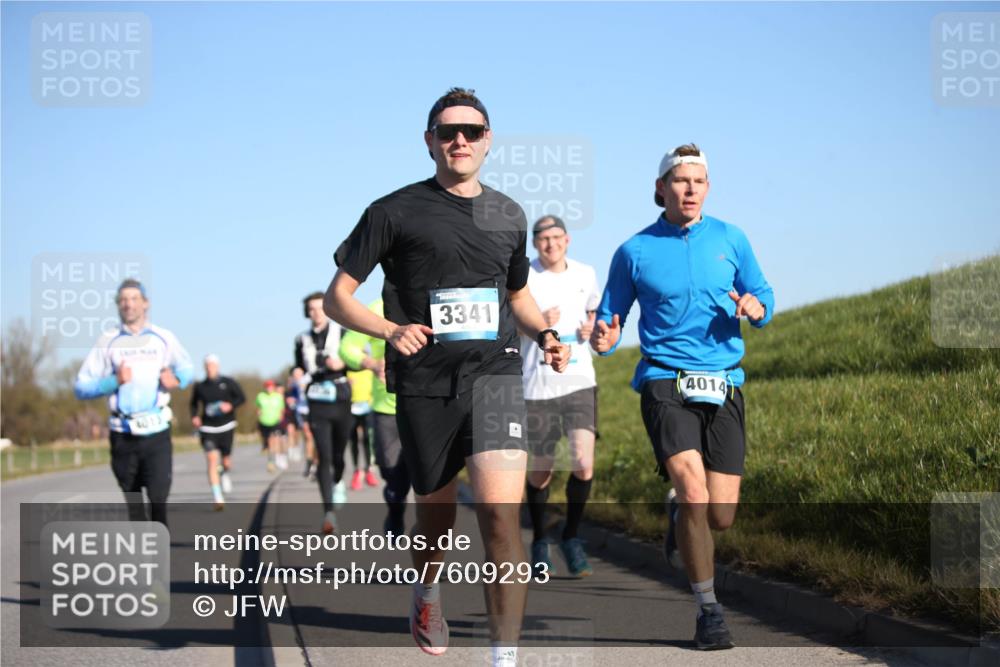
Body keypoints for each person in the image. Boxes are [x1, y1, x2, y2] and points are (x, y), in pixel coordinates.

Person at [325, 87, 570, 667]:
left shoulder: (508, 214)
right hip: (424, 385)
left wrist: (545, 334)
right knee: (434, 520)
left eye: (472, 131)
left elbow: (517, 294)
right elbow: (338, 298)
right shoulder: (392, 211)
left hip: (495, 378)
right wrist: (390, 330)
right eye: (447, 131)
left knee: (500, 517)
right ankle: (428, 587)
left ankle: (503, 657)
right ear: (429, 141)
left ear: (488, 141)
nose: (460, 140)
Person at [590, 144, 774, 650]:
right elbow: (609, 319)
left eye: (698, 181)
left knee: (721, 514)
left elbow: (764, 296)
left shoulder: (731, 239)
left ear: (708, 188)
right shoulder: (634, 251)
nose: (690, 189)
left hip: (724, 382)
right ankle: (709, 611)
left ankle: (677, 514)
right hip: (665, 379)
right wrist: (604, 337)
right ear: (660, 188)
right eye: (680, 180)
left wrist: (757, 308)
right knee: (696, 494)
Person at [74, 278, 194, 525]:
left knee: (158, 497)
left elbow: (186, 367)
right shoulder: (108, 341)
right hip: (123, 434)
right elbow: (81, 387)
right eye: (123, 300)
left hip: (156, 431)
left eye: (134, 299)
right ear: (118, 305)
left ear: (145, 303)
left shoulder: (163, 338)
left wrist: (177, 379)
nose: (128, 304)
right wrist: (113, 381)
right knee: (135, 504)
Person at [520, 215, 601, 578]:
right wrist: (537, 320)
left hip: (580, 380)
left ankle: (571, 537)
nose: (550, 244)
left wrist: (592, 326)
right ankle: (540, 540)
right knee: (542, 470)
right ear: (534, 244)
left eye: (556, 237)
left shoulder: (586, 273)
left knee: (583, 462)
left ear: (567, 240)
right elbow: (508, 323)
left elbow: (596, 315)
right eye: (543, 239)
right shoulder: (524, 276)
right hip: (538, 385)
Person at [339, 299, 410, 535]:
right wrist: (371, 363)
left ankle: (429, 536)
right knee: (391, 471)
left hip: (429, 404)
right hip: (387, 407)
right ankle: (396, 508)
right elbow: (347, 347)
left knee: (426, 474)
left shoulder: (435, 297)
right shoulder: (379, 307)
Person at [295, 291, 353, 534]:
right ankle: (328, 512)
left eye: (320, 308)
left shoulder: (342, 333)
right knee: (324, 456)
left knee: (338, 455)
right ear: (307, 313)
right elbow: (299, 366)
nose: (316, 313)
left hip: (340, 399)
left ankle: (338, 480)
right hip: (317, 401)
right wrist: (296, 373)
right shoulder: (302, 339)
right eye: (311, 309)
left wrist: (343, 363)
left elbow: (356, 360)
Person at [189, 353, 246, 510]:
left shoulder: (228, 382)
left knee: (226, 461)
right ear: (204, 367)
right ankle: (217, 496)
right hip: (208, 427)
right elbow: (193, 404)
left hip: (226, 426)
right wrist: (194, 416)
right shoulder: (200, 386)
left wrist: (230, 405)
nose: (210, 368)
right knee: (212, 459)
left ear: (217, 366)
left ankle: (225, 473)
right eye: (207, 366)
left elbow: (241, 398)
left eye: (212, 365)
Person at [346, 367, 378, 490]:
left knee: (367, 439)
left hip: (367, 407)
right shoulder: (347, 371)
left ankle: (368, 470)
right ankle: (356, 471)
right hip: (351, 407)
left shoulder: (369, 370)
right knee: (353, 440)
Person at [255, 380, 284, 472]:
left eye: (271, 386)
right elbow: (258, 407)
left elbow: (281, 408)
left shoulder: (278, 396)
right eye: (267, 386)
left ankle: (272, 461)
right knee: (266, 440)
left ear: (274, 387)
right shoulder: (260, 396)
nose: (269, 388)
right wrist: (258, 413)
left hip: (274, 421)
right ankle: (266, 449)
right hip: (264, 421)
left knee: (273, 440)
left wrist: (280, 417)